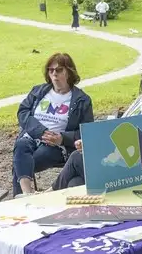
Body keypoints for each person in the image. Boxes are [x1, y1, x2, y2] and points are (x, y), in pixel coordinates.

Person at [52, 53, 142, 189]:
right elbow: (120, 128)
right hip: (125, 160)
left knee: (78, 158)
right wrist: (93, 144)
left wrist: (96, 149)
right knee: (75, 183)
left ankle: (47, 195)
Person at [12, 53, 94, 195]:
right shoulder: (38, 91)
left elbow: (87, 132)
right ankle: (25, 196)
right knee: (21, 147)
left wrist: (62, 138)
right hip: (32, 136)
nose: (54, 74)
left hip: (56, 146)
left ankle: (26, 198)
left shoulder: (82, 100)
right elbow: (23, 112)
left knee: (22, 163)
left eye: (59, 70)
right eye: (51, 70)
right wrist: (40, 131)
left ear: (69, 72)